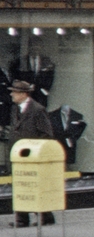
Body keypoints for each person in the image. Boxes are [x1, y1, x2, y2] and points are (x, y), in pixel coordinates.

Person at [9, 79, 57, 228]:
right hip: (18, 155)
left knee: (35, 186)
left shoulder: (37, 109)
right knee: (20, 186)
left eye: (14, 92)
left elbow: (47, 134)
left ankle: (46, 216)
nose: (11, 95)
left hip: (32, 156)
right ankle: (22, 219)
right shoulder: (15, 109)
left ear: (23, 94)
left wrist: (34, 150)